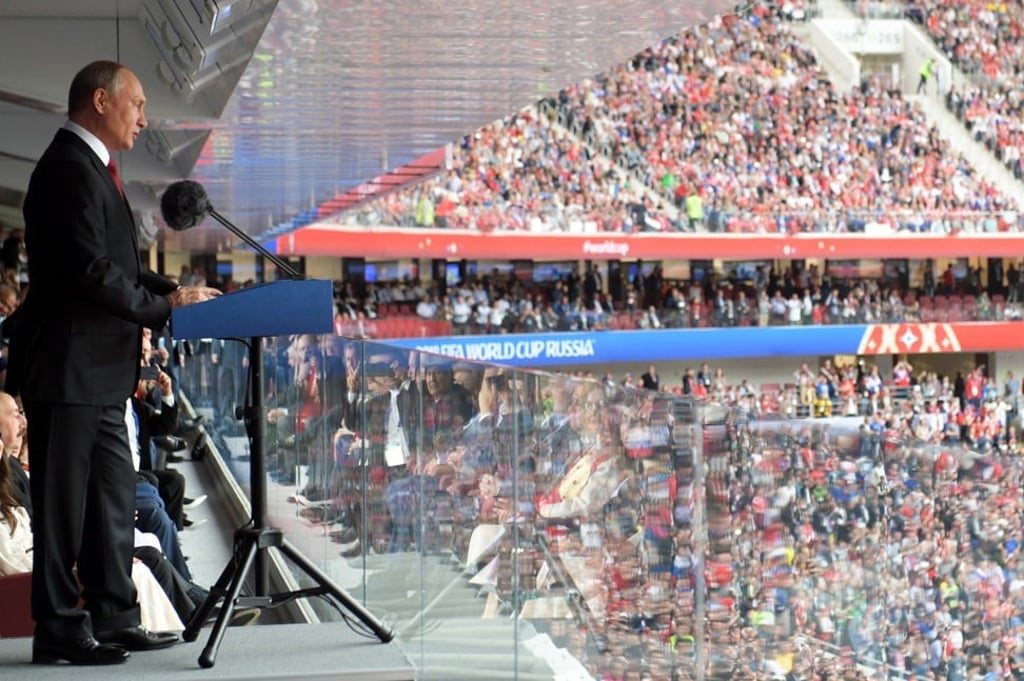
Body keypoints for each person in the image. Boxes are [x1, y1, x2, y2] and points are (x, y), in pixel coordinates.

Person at [7, 60, 219, 665]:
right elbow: (88, 273)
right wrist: (161, 307)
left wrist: (170, 287)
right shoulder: (68, 169)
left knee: (108, 499)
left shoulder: (96, 168)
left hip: (100, 371)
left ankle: (116, 614)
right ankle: (57, 625)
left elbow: (117, 268)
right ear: (101, 101)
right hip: (70, 367)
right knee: (63, 503)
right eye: (138, 104)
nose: (145, 117)